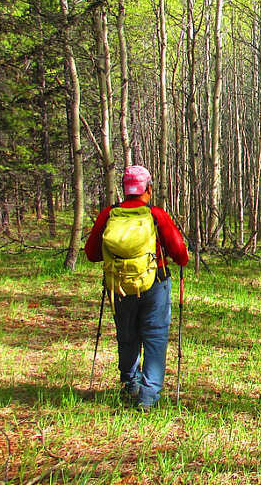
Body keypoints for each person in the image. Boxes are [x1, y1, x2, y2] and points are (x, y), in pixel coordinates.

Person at [85, 165, 188, 410]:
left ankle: (130, 384)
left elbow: (91, 253)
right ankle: (149, 397)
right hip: (155, 285)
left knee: (127, 335)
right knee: (155, 337)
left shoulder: (109, 215)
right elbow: (180, 254)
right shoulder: (156, 215)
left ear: (125, 189)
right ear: (148, 189)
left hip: (119, 287)